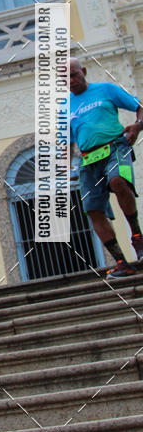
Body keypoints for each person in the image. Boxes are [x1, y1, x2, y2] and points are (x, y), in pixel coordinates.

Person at [69, 58, 143, 278]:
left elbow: (140, 107)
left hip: (116, 147)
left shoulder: (106, 89)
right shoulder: (65, 106)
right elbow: (66, 141)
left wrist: (137, 127)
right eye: (65, 78)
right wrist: (65, 167)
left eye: (74, 75)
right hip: (88, 159)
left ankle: (137, 238)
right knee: (93, 210)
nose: (71, 80)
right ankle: (121, 262)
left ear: (83, 71)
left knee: (118, 181)